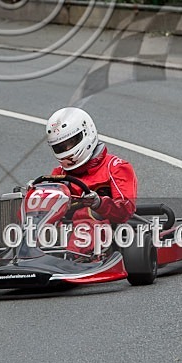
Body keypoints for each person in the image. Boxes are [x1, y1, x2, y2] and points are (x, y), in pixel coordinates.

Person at [44, 106, 137, 255]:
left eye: (70, 142)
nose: (66, 150)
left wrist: (99, 203)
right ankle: (19, 255)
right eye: (60, 147)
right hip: (65, 229)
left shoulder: (115, 167)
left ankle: (71, 258)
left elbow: (125, 210)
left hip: (104, 228)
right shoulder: (58, 174)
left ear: (87, 132)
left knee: (86, 216)